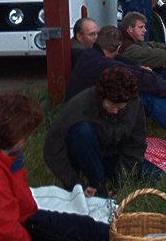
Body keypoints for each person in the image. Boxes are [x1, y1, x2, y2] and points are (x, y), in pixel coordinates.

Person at [0, 94, 109, 241]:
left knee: (85, 227)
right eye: (27, 136)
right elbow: (3, 232)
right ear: (18, 140)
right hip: (0, 233)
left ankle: (115, 233)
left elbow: (22, 202)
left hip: (22, 216)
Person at [67, 25, 166, 146]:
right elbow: (137, 76)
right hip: (90, 117)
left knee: (146, 90)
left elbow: (131, 66)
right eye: (141, 27)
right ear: (118, 46)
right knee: (144, 97)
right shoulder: (103, 63)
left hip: (85, 111)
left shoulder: (93, 55)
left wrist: (160, 83)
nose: (144, 30)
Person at [45, 66, 154, 198]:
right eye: (111, 105)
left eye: (120, 107)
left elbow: (136, 144)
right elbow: (52, 150)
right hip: (85, 155)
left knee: (156, 176)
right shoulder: (79, 105)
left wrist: (121, 183)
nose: (115, 111)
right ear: (102, 96)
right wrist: (75, 183)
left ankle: (112, 182)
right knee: (82, 131)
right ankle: (99, 186)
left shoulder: (134, 104)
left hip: (115, 156)